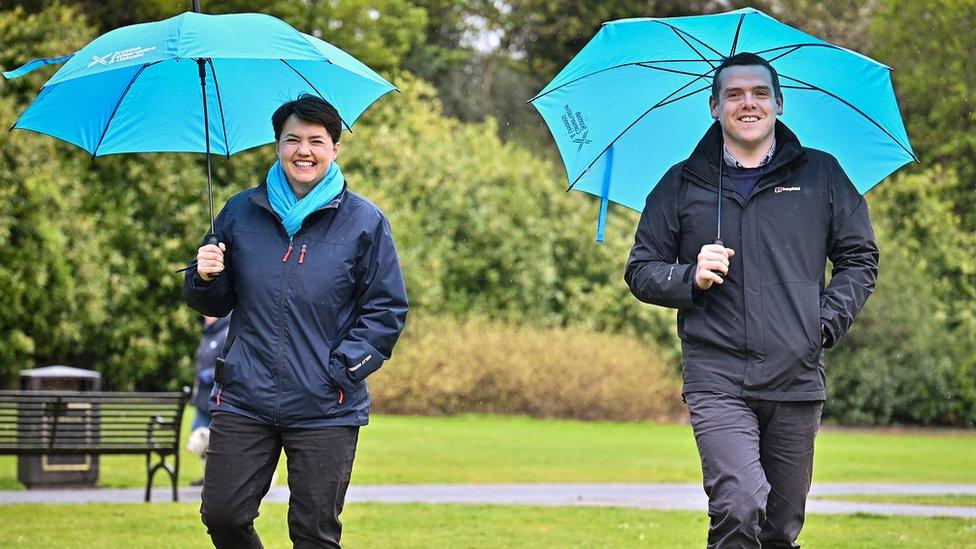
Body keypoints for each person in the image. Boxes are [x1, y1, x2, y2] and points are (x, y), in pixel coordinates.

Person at [625, 52, 878, 548]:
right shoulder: (681, 183)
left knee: (781, 530)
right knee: (739, 504)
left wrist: (822, 324)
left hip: (797, 376)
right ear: (713, 106)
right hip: (716, 376)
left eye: (760, 93)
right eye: (734, 94)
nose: (748, 103)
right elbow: (640, 270)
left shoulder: (822, 175)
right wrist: (689, 276)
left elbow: (860, 259)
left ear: (779, 104)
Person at [184, 93, 408, 548]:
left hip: (327, 405)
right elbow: (216, 299)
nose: (303, 151)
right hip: (245, 397)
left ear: (334, 148)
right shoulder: (239, 211)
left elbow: (386, 310)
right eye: (292, 140)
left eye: (315, 140)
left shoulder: (365, 222)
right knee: (223, 515)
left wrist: (343, 371)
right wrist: (203, 274)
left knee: (314, 533)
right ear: (277, 145)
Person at [186, 314, 230, 486]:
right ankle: (209, 475)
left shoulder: (224, 333)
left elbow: (226, 362)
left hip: (215, 396)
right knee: (200, 436)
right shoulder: (209, 334)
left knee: (213, 441)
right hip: (202, 397)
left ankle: (215, 477)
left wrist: (211, 375)